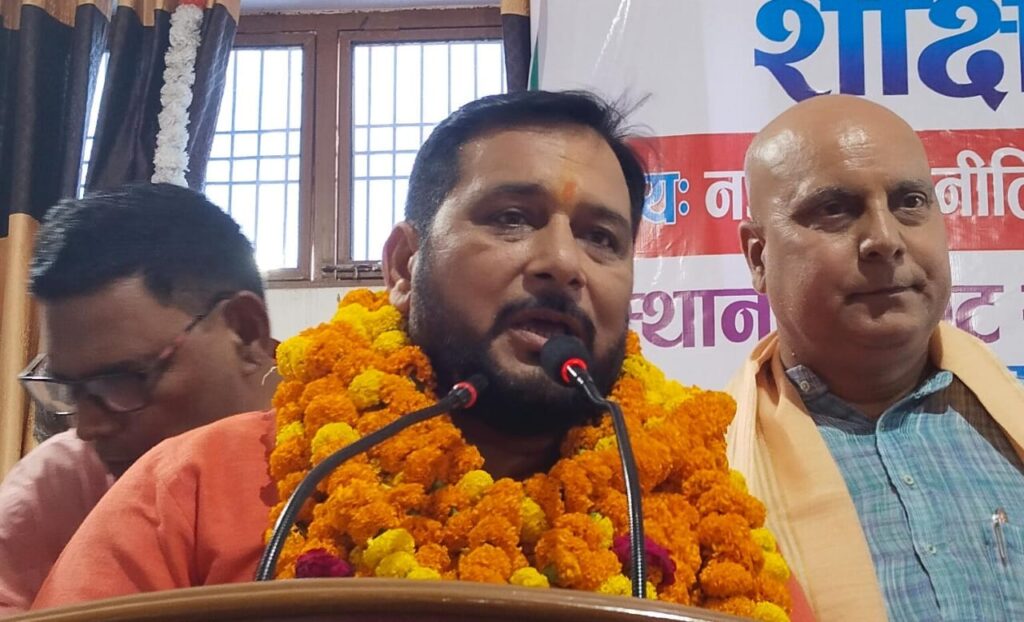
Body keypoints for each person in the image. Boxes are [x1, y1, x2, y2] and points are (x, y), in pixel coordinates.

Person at [32, 91, 812, 620]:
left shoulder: (704, 521)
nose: (562, 263)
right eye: (511, 218)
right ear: (405, 266)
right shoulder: (194, 489)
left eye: (601, 238)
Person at [727, 94, 1024, 621]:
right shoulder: (712, 472)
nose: (885, 240)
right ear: (758, 257)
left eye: (910, 201)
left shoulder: (1010, 420)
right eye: (834, 209)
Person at [0, 183, 277, 616]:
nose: (87, 429)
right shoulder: (60, 485)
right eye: (72, 389)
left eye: (122, 379)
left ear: (245, 330)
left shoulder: (367, 447)